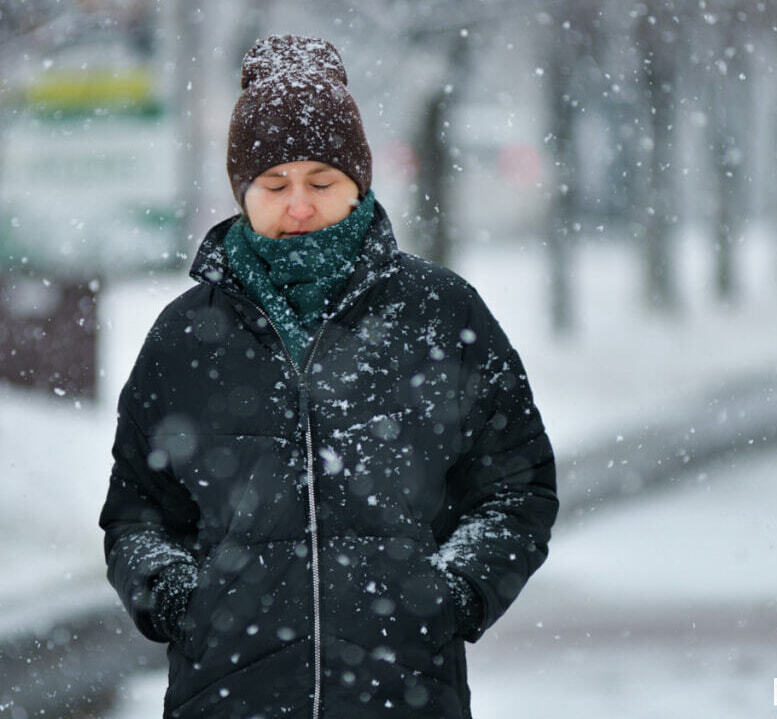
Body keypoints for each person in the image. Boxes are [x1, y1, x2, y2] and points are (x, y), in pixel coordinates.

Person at [99, 34, 558, 719]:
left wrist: (454, 591)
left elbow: (516, 488)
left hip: (402, 695)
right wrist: (176, 595)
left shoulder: (439, 313)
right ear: (242, 193)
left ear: (359, 186)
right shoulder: (185, 335)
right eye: (275, 185)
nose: (300, 207)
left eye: (322, 182)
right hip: (228, 696)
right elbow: (138, 512)